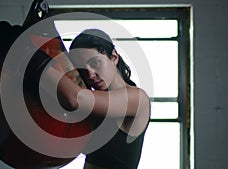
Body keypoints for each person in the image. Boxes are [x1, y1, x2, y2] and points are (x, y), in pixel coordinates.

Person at [41, 29, 151, 169]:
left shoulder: (137, 99)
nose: (91, 75)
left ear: (114, 57)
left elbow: (75, 98)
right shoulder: (94, 104)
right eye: (83, 69)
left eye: (95, 63)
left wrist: (30, 61)